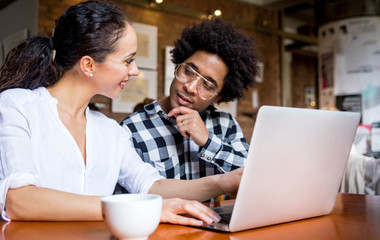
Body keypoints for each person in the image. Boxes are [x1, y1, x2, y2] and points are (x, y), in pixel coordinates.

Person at [0, 1, 242, 225]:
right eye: (128, 60)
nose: (135, 70)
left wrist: (222, 182)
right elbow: (19, 201)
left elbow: (152, 186)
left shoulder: (110, 131)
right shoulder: (18, 106)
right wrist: (135, 209)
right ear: (88, 65)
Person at [120, 18, 258, 182]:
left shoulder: (225, 125)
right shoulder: (132, 129)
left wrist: (208, 141)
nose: (190, 87)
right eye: (189, 71)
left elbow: (253, 178)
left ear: (218, 97)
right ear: (179, 64)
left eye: (207, 85)